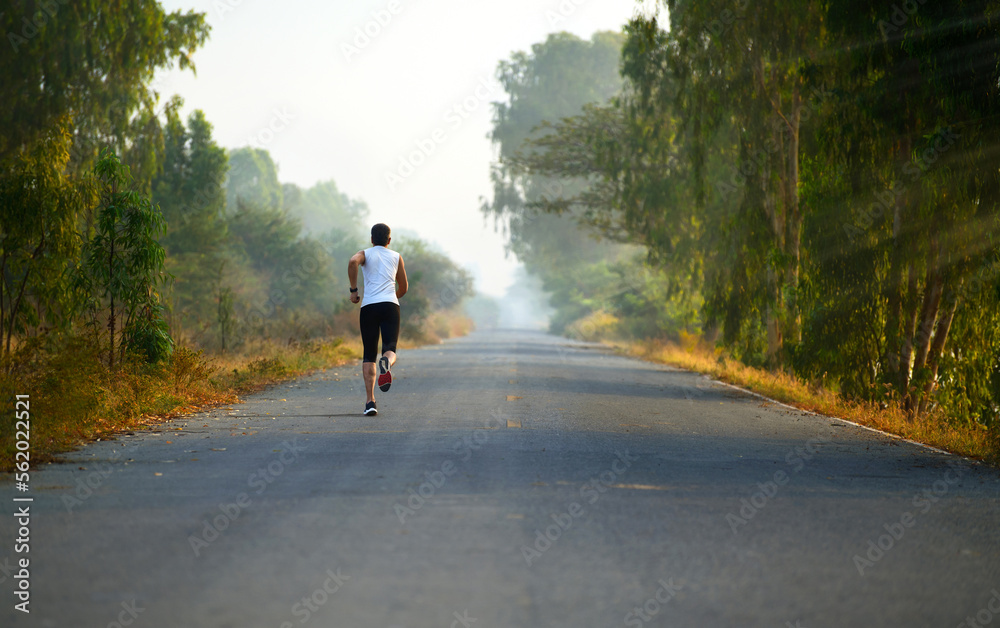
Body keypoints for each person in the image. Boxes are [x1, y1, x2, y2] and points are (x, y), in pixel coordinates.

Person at [348, 223, 408, 416]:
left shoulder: (365, 253)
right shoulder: (397, 257)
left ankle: (370, 402)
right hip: (390, 305)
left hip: (369, 307)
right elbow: (404, 287)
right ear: (389, 240)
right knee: (390, 349)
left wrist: (354, 291)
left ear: (372, 239)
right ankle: (387, 363)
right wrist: (390, 299)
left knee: (368, 354)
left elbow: (352, 262)